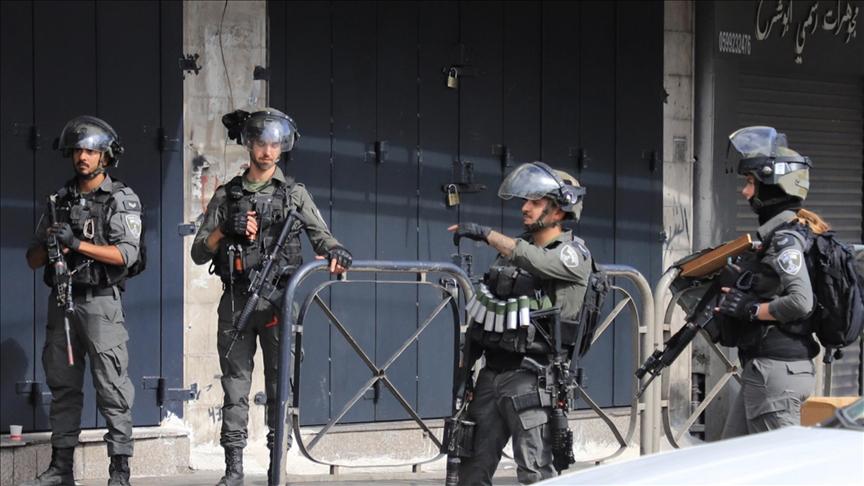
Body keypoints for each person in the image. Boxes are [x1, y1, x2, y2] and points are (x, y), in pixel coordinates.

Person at [191, 108, 353, 486]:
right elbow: (199, 251)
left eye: (275, 144)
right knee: (235, 386)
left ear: (283, 147)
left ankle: (276, 467)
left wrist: (337, 251)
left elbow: (321, 236)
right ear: (249, 144)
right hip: (237, 301)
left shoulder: (294, 194)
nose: (267, 151)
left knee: (281, 386)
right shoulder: (227, 195)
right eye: (261, 143)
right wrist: (224, 229)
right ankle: (234, 469)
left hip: (280, 300)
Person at [448, 162, 592, 485]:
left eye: (536, 202)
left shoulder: (572, 254)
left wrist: (487, 234)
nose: (525, 208)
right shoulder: (513, 251)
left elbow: (536, 261)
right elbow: (490, 305)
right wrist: (466, 368)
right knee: (470, 472)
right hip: (491, 374)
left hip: (532, 379)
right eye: (525, 200)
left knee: (535, 473)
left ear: (559, 211)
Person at [25, 116, 142, 486]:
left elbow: (126, 255)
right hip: (62, 302)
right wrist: (51, 243)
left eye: (91, 151)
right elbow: (32, 259)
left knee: (112, 388)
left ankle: (119, 471)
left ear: (105, 156)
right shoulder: (58, 200)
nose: (83, 156)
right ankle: (61, 468)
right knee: (62, 386)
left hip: (100, 304)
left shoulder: (120, 198)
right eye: (78, 150)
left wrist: (77, 244)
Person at [718, 126, 822, 438]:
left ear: (773, 186)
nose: (745, 192)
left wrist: (751, 310)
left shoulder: (786, 240)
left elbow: (801, 301)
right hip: (766, 372)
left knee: (784, 465)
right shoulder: (786, 234)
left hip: (776, 374)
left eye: (751, 183)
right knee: (729, 459)